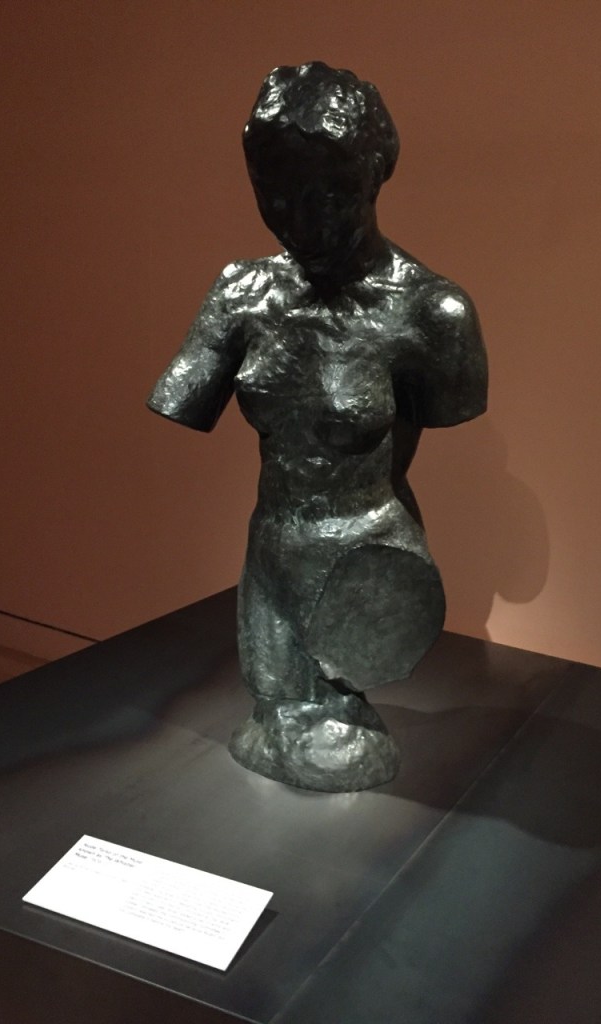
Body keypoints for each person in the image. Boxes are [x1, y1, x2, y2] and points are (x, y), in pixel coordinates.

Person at [148, 62, 488, 791]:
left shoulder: (432, 313)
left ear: (373, 176)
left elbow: (447, 407)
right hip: (270, 553)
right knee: (276, 728)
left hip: (366, 560)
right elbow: (181, 396)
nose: (302, 222)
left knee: (337, 747)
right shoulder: (243, 293)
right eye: (277, 196)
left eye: (330, 195)